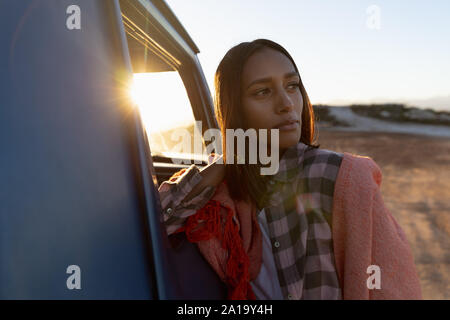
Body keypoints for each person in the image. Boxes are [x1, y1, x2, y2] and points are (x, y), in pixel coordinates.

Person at [157, 39, 422, 300]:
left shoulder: (340, 176)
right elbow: (153, 226)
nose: (286, 104)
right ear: (234, 107)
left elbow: (393, 287)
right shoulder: (224, 191)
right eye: (263, 91)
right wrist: (224, 164)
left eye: (292, 86)